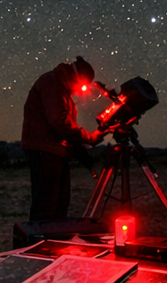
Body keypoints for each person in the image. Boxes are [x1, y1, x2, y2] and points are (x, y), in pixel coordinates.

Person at [20, 57, 104, 222]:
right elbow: (60, 123)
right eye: (81, 86)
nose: (79, 92)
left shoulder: (60, 87)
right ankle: (41, 242)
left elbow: (65, 127)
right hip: (45, 150)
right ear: (76, 77)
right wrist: (90, 137)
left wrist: (83, 153)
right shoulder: (52, 83)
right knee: (46, 206)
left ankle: (55, 240)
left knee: (59, 204)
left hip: (55, 151)